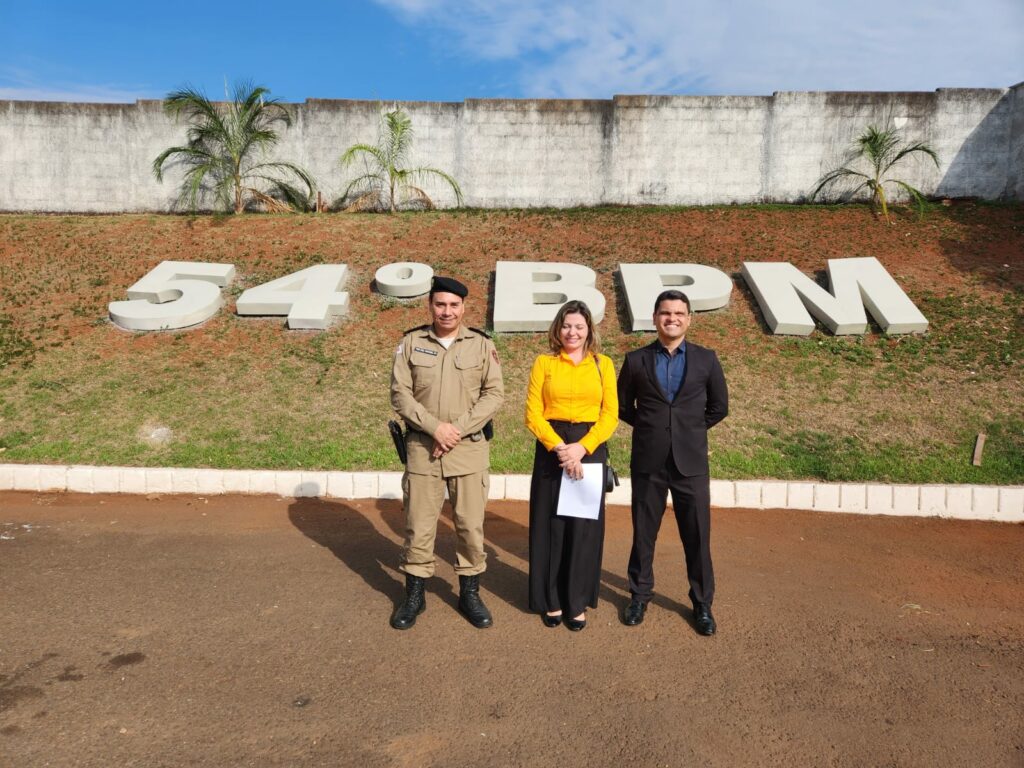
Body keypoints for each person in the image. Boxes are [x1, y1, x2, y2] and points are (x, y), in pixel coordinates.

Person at [389, 276, 504, 630]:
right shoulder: (411, 343)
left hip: (468, 451)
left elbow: (494, 395)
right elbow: (400, 394)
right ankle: (414, 595)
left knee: (470, 526)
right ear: (430, 306)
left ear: (464, 308)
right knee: (418, 526)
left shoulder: (481, 345)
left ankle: (470, 593)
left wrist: (455, 430)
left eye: (454, 305)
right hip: (423, 450)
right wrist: (435, 428)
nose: (447, 311)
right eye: (440, 304)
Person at [617, 290, 728, 635]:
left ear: (689, 319)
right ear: (655, 318)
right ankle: (639, 596)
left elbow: (719, 407)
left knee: (697, 536)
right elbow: (623, 407)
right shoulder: (635, 360)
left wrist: (689, 430)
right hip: (648, 461)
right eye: (666, 313)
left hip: (690, 463)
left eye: (679, 313)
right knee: (643, 534)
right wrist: (652, 428)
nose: (672, 318)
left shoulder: (706, 359)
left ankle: (702, 603)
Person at [525, 300, 618, 631]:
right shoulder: (544, 363)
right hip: (552, 446)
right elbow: (533, 413)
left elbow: (610, 414)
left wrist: (582, 448)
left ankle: (576, 601)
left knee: (582, 528)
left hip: (589, 446)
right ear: (557, 328)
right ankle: (550, 599)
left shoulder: (603, 365)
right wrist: (561, 449)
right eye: (566, 326)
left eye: (579, 326)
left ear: (589, 329)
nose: (572, 332)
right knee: (550, 524)